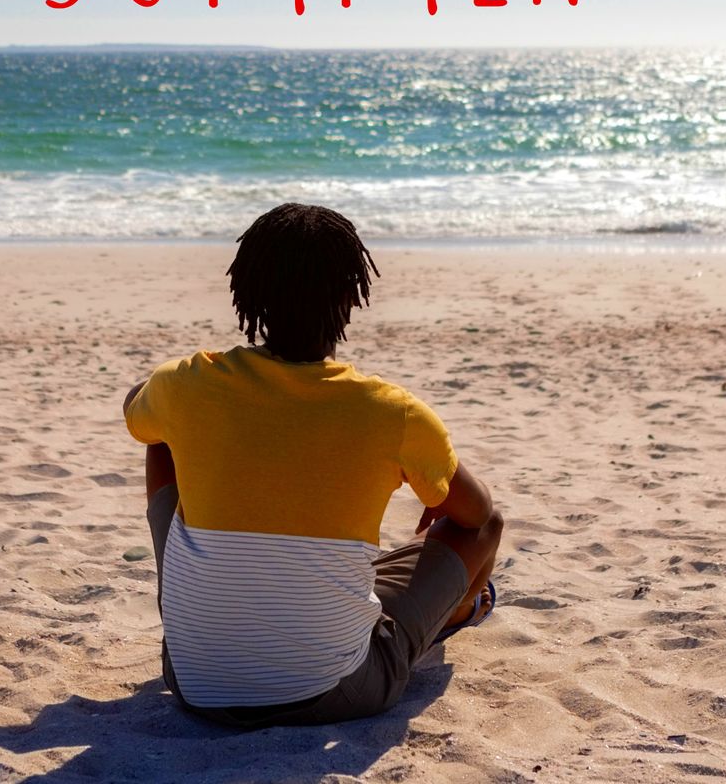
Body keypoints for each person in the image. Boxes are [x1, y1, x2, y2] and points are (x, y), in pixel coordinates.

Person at [124, 202, 503, 726]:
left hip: (193, 682)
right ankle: (460, 610)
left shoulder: (185, 384)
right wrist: (438, 494)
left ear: (245, 293)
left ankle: (214, 613)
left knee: (161, 439)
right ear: (352, 295)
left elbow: (134, 407)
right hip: (335, 691)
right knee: (485, 525)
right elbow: (477, 513)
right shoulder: (391, 411)